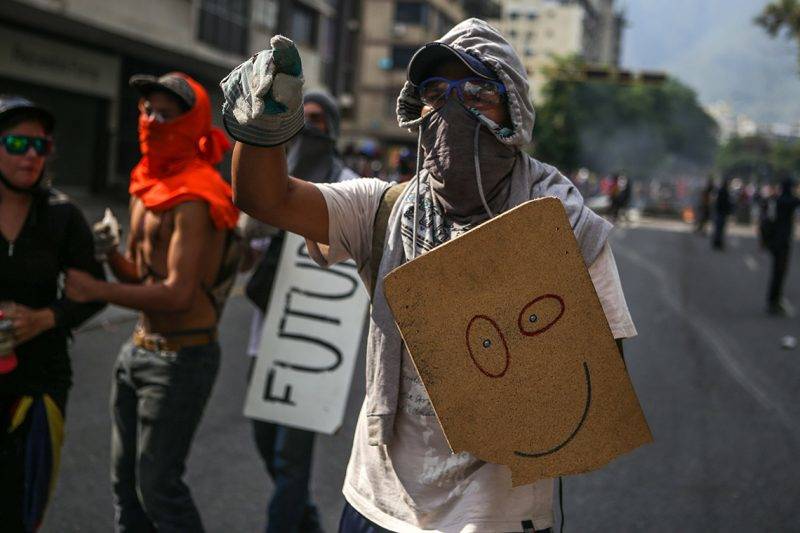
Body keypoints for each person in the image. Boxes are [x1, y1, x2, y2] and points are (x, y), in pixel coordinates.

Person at [222, 19, 637, 533]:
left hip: (497, 518)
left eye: (478, 94)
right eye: (436, 94)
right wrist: (266, 119)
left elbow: (598, 380)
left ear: (514, 111)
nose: (453, 109)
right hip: (377, 502)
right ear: (417, 111)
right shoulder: (382, 209)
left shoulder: (563, 228)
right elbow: (266, 198)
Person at [64, 72, 240, 532]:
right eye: (147, 111)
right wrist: (110, 253)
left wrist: (95, 290)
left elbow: (179, 294)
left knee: (158, 489)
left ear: (192, 121)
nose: (151, 121)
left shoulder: (196, 195)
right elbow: (141, 278)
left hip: (181, 358)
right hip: (137, 348)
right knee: (126, 489)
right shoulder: (146, 183)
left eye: (166, 114)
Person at [243, 90, 356, 533]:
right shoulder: (273, 180)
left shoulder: (347, 185)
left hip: (313, 343)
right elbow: (247, 253)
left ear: (332, 129)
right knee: (265, 441)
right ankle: (306, 521)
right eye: (301, 119)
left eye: (318, 120)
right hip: (263, 337)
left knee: (291, 460)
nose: (309, 127)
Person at [0, 95, 106, 532]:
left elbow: (92, 293)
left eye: (40, 146)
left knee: (20, 504)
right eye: (17, 144)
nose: (31, 157)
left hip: (40, 383)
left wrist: (47, 317)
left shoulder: (63, 216)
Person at [762, 178, 800, 315]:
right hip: (783, 242)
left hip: (774, 241)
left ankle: (773, 300)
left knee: (776, 273)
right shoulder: (789, 201)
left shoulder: (777, 200)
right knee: (780, 273)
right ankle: (774, 302)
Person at [712, 178, 732, 250]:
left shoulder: (722, 191)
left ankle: (717, 243)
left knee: (719, 229)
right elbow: (724, 203)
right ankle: (717, 243)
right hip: (721, 213)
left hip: (720, 212)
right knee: (719, 229)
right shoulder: (724, 192)